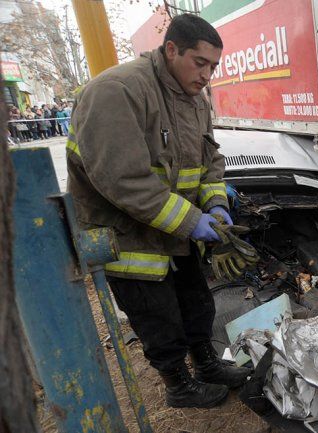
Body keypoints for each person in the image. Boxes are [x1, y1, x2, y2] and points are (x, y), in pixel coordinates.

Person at [66, 14, 250, 409]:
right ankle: (179, 386)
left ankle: (206, 365)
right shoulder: (116, 91)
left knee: (196, 304)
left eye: (214, 67)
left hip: (175, 231)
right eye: (200, 63)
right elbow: (122, 180)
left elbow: (209, 163)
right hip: (129, 235)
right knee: (157, 317)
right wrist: (192, 221)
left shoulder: (195, 101)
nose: (207, 75)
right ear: (171, 49)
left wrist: (215, 203)